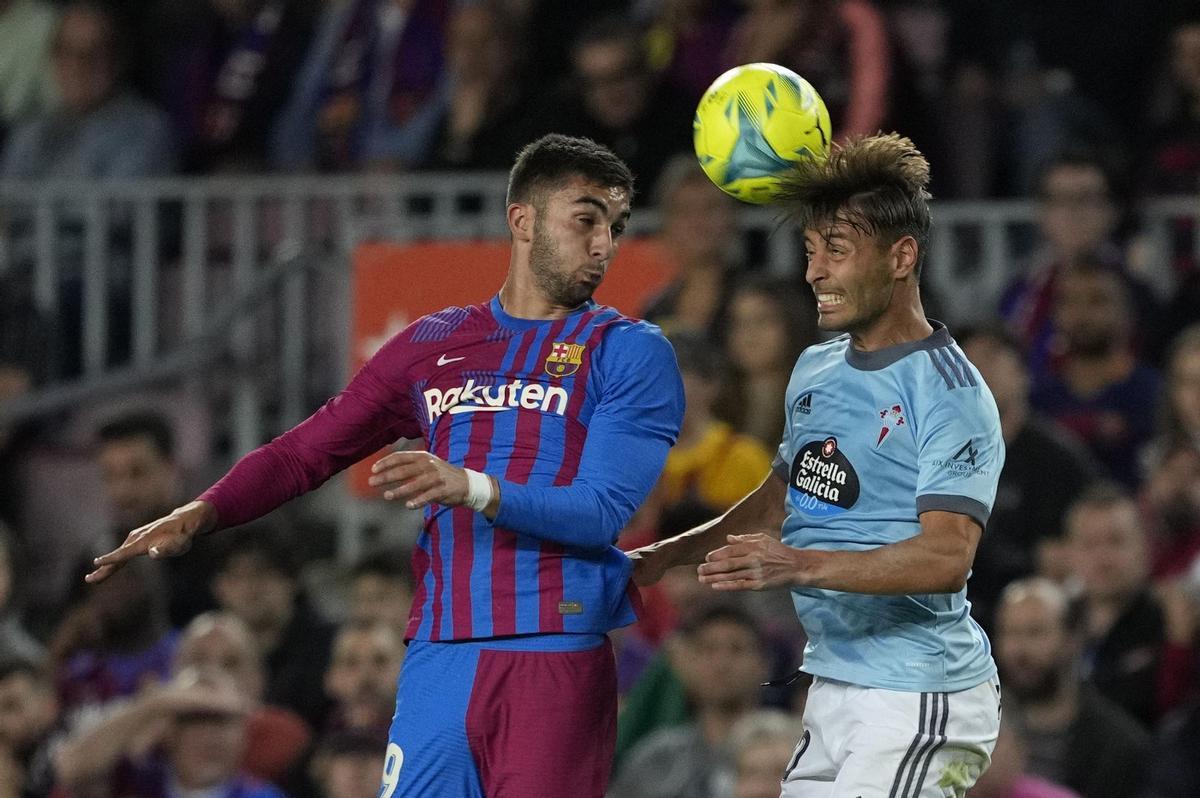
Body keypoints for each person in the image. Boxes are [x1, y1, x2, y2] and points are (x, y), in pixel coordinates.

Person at [86, 133, 684, 798]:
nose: (604, 244)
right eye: (586, 220)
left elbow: (601, 509)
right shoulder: (432, 343)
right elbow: (306, 451)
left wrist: (473, 485)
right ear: (523, 219)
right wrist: (206, 510)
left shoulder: (630, 352)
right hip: (440, 652)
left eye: (616, 226)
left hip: (556, 647)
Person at [631, 133, 1004, 796]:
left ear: (902, 256)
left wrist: (800, 563)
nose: (814, 273)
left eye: (836, 250)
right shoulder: (817, 366)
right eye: (809, 252)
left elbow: (948, 555)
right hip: (834, 686)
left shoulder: (951, 392)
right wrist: (671, 554)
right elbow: (783, 497)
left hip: (919, 694)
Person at [956, 324, 1097, 624]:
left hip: (1037, 618)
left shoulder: (1059, 459)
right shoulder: (933, 456)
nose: (979, 370)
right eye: (968, 362)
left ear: (1023, 374)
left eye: (992, 358)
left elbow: (1076, 550)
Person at [993, 578, 1149, 798]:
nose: (1019, 649)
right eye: (1009, 632)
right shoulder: (975, 728)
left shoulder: (1119, 745)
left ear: (1072, 639)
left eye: (1035, 632)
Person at [608, 602, 770, 798]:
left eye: (736, 649)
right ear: (686, 665)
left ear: (763, 664)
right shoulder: (658, 759)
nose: (721, 663)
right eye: (708, 650)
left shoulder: (788, 750)